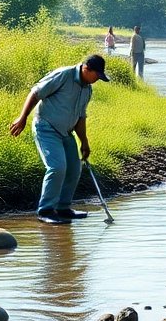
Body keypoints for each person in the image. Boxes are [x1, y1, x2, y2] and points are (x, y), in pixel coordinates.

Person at [9, 54, 110, 224]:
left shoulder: (87, 89)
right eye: (96, 76)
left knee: (74, 168)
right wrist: (22, 117)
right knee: (57, 167)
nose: (97, 80)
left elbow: (80, 117)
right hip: (46, 127)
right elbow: (36, 93)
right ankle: (46, 210)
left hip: (65, 132)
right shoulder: (64, 75)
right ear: (86, 69)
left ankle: (63, 208)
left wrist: (84, 142)